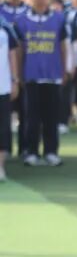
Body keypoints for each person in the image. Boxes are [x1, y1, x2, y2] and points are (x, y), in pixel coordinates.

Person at [14, 0, 69, 166]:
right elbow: (19, 50)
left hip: (52, 76)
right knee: (31, 117)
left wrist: (64, 69)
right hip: (30, 76)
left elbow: (63, 46)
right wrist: (18, 74)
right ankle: (31, 152)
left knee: (51, 117)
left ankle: (51, 152)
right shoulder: (21, 21)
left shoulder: (59, 19)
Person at [0, 18, 18, 181]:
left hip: (2, 86)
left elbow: (12, 54)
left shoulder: (5, 27)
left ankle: (0, 166)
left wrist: (14, 80)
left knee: (3, 128)